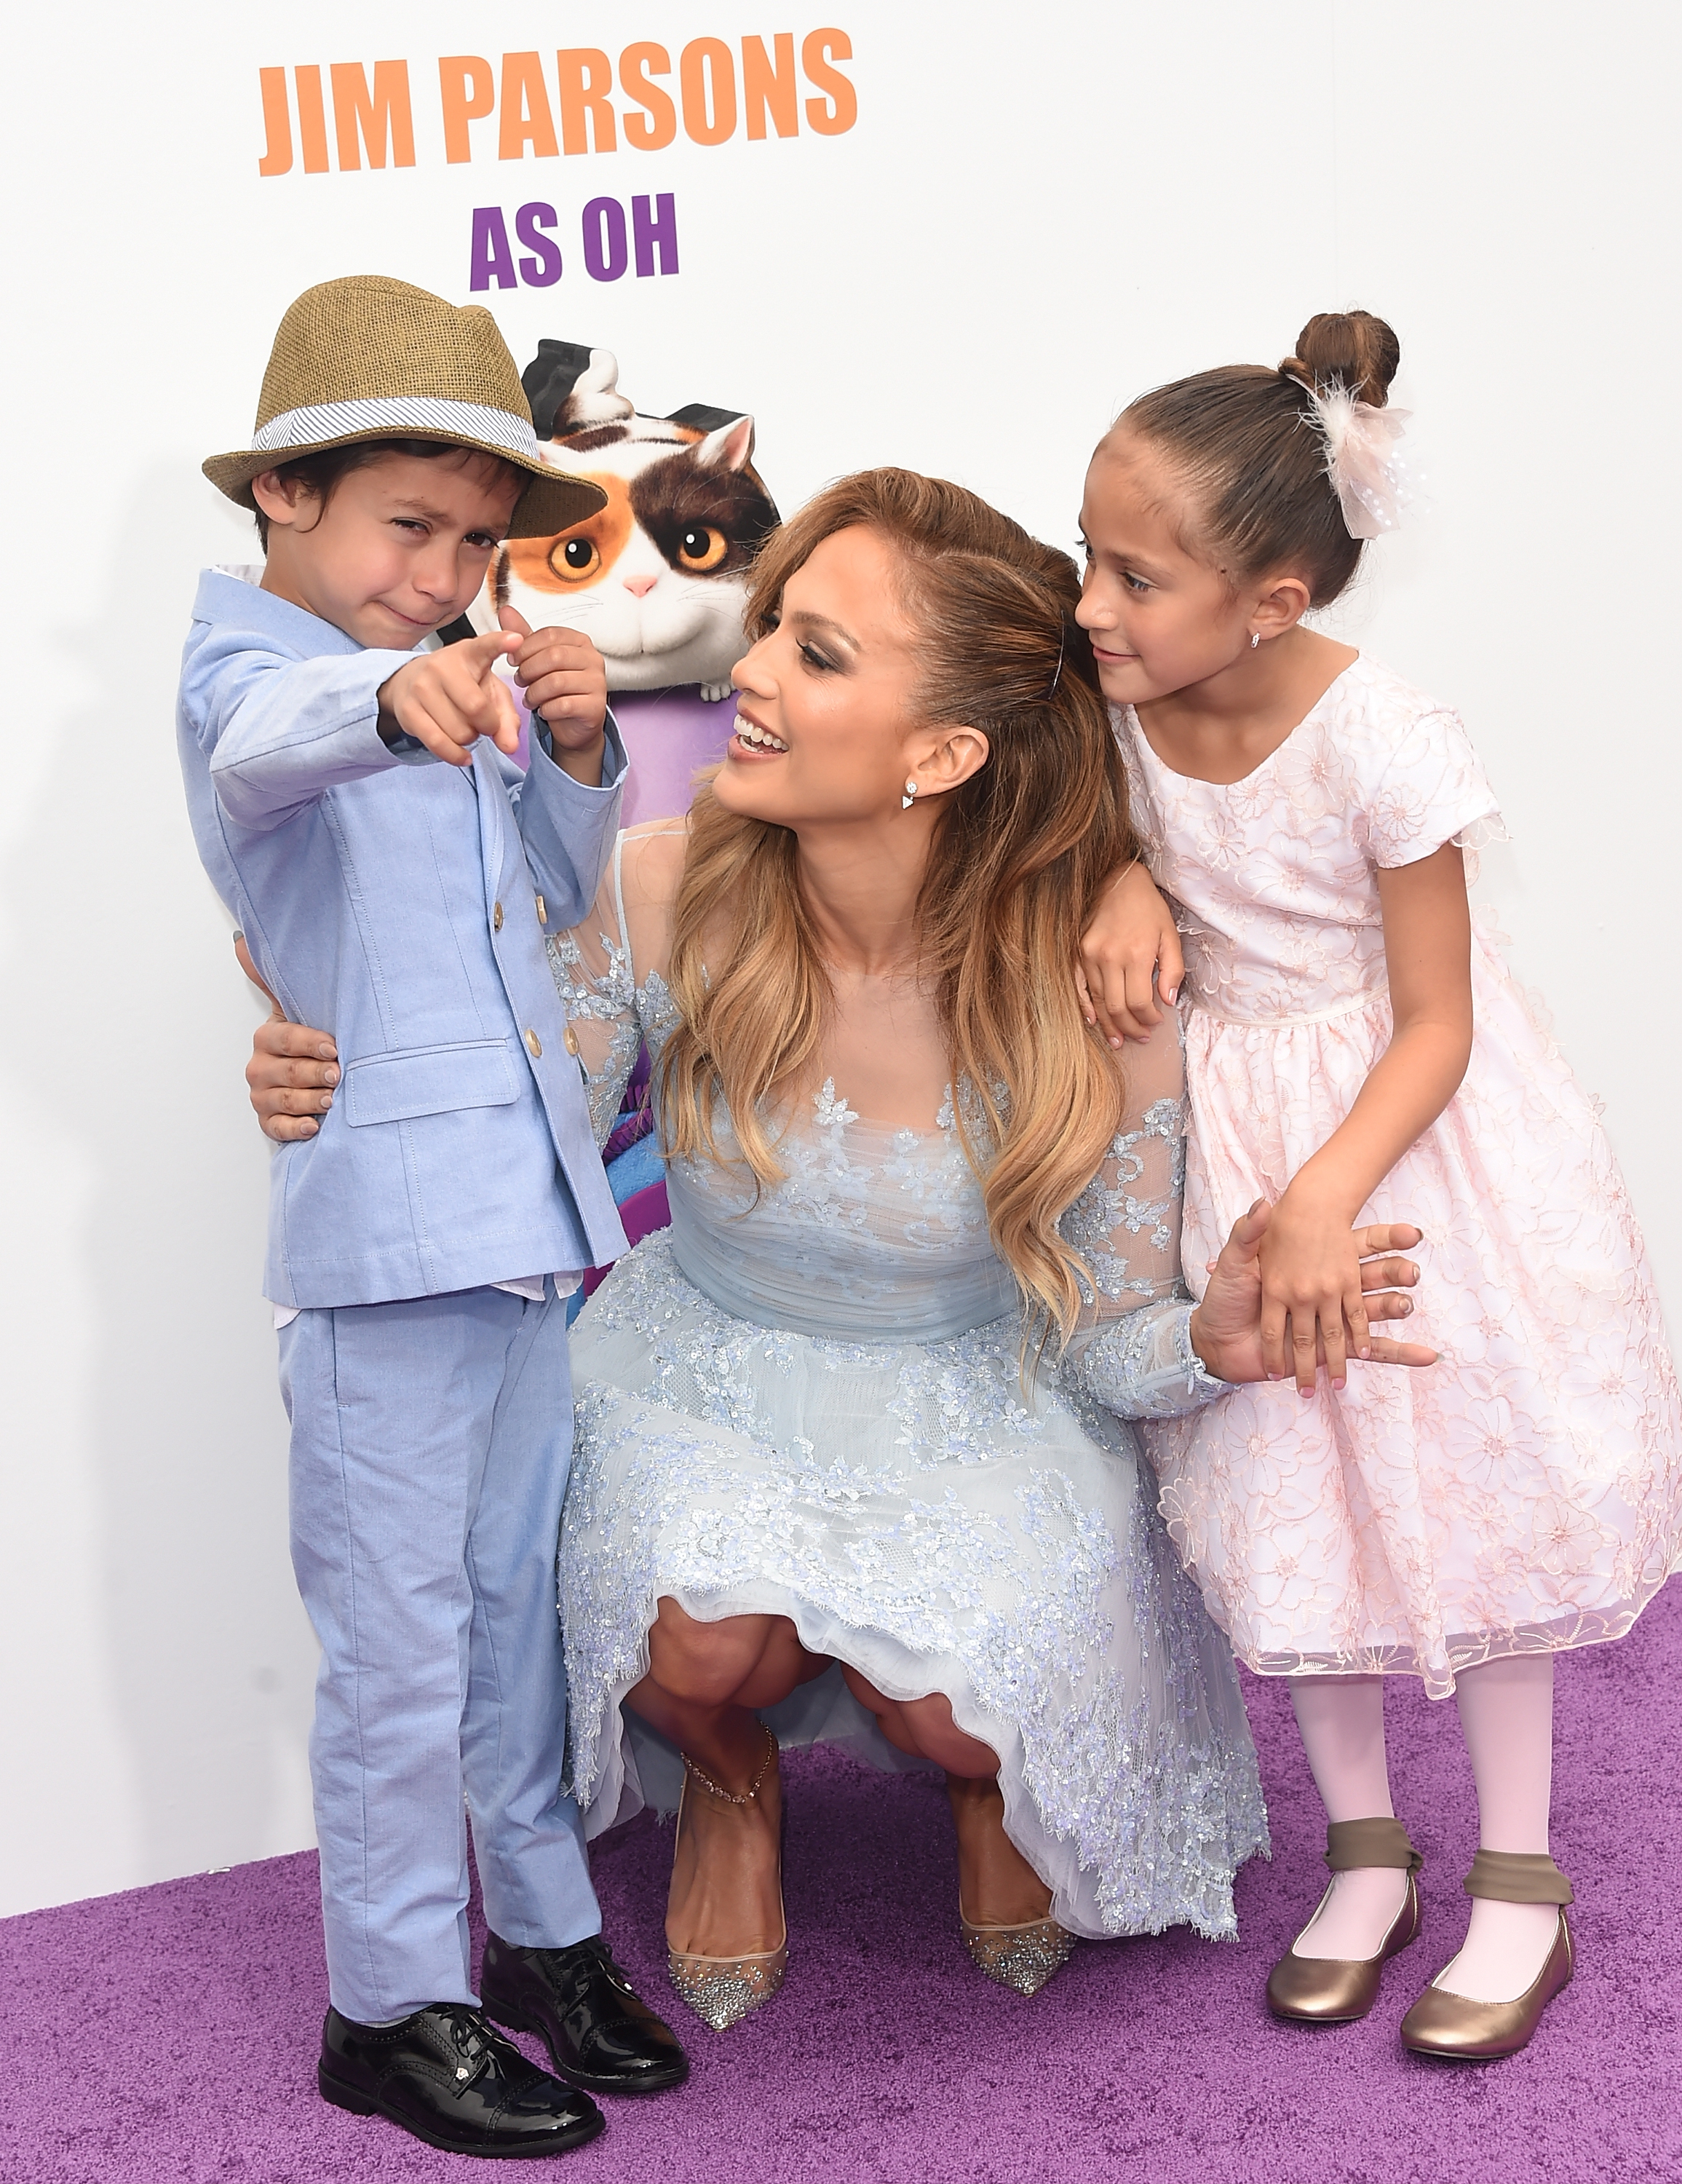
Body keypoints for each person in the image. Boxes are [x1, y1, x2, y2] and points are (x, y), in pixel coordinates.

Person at [249, 466, 1437, 2035]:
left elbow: (1108, 1343)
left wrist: (1214, 1337)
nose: (740, 674)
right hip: (703, 1365)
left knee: (948, 1707)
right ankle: (728, 1778)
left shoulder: (1098, 979)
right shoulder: (668, 887)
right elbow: (506, 1119)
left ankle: (973, 1785)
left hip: (973, 1390)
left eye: (815, 654)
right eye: (771, 631)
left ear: (943, 751)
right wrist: (308, 1062)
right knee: (700, 1635)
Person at [1072, 309, 1682, 2059]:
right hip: (1234, 1138)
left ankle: (1518, 1881)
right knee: (1294, 1483)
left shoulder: (1385, 738)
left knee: (1467, 1494)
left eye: (1133, 574)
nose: (1092, 604)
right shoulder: (1111, 697)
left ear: (1270, 599)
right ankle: (1363, 1855)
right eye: (1085, 555)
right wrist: (1115, 877)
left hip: (1409, 1150)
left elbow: (1438, 1017)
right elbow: (1065, 809)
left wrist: (1328, 1201)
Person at [179, 274, 687, 2159]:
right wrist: (391, 694)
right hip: (389, 1243)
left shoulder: (464, 675)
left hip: (530, 1224)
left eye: (478, 538)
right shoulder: (249, 675)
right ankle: (390, 2006)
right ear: (286, 500)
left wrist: (568, 748)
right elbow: (264, 748)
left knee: (504, 1621)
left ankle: (546, 1932)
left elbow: (558, 894)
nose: (445, 570)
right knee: (395, 1650)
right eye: (412, 527)